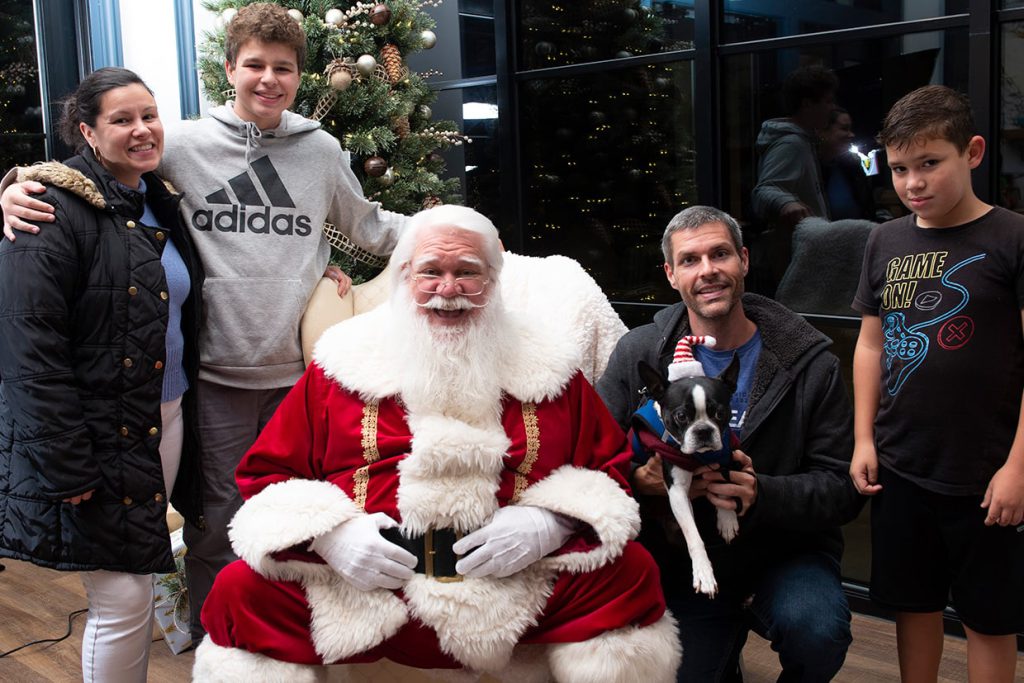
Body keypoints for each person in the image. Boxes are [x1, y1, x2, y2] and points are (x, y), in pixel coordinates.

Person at [1, 3, 406, 640]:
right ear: (229, 69)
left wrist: (458, 239)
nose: (268, 79)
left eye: (284, 68)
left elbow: (373, 228)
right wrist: (17, 185)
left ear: (300, 77)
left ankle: (291, 634)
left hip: (302, 378)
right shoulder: (180, 145)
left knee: (309, 513)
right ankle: (221, 643)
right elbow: (98, 182)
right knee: (217, 521)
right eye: (254, 65)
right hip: (211, 378)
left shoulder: (321, 151)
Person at [191, 205, 680, 682]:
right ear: (404, 276)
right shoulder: (341, 361)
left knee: (630, 574)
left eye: (467, 272)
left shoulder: (550, 364)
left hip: (520, 580)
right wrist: (331, 536)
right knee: (240, 590)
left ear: (494, 280)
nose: (448, 291)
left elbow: (609, 470)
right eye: (431, 272)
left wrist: (550, 523)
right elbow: (267, 474)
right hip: (365, 586)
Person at [597, 205, 862, 682]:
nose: (708, 271)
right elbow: (590, 457)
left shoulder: (808, 359)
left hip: (785, 550)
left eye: (720, 254)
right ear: (671, 275)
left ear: (743, 260)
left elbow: (842, 487)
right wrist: (640, 482)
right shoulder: (640, 353)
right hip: (682, 560)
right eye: (690, 260)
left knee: (818, 632)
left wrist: (763, 494)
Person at [0, 67, 203, 682]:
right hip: (95, 437)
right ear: (87, 132)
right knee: (122, 602)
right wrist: (64, 463)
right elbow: (27, 351)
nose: (142, 130)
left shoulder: (157, 199)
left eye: (149, 115)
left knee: (138, 583)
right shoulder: (48, 210)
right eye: (122, 119)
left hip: (160, 422)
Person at [851, 85, 1024, 682]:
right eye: (899, 168)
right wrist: (863, 440)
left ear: (972, 152)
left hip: (986, 473)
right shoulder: (884, 240)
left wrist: (1018, 467)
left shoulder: (1012, 238)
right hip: (902, 464)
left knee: (989, 618)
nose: (912, 183)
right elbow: (871, 344)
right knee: (914, 605)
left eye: (929, 163)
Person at [751, 64, 838, 231]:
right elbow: (764, 190)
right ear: (807, 104)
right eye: (828, 101)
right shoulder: (792, 144)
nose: (832, 107)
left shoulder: (803, 141)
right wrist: (786, 203)